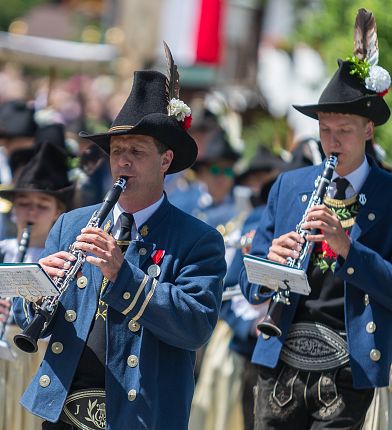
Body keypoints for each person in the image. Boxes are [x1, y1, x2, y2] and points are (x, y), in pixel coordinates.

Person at [13, 49, 226, 430]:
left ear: (165, 161)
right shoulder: (70, 224)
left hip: (142, 416)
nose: (123, 161)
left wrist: (122, 274)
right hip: (64, 410)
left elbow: (196, 326)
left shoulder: (199, 240)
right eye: (117, 151)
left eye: (137, 152)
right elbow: (33, 318)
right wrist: (36, 291)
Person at [240, 8, 392, 430]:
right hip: (279, 362)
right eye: (325, 129)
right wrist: (269, 261)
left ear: (368, 131)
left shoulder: (389, 194)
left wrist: (349, 249)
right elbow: (247, 283)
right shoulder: (289, 186)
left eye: (344, 129)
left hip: (349, 368)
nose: (332, 140)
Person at [0, 141, 75, 430]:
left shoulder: (63, 259)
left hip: (40, 360)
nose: (31, 213)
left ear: (58, 211)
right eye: (24, 204)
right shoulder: (4, 249)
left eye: (41, 206)